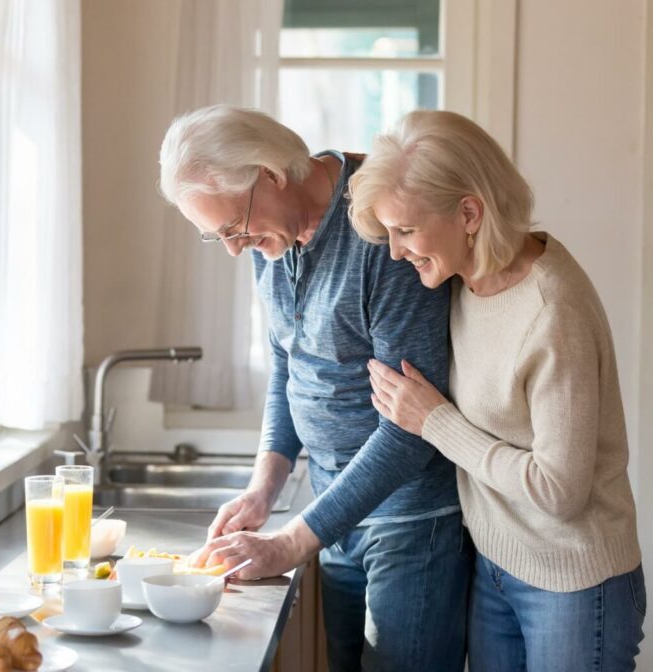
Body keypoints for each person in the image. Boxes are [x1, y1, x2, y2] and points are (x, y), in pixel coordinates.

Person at [158, 105, 472, 671]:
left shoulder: (382, 231)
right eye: (218, 237)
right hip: (333, 513)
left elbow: (411, 428)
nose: (234, 247)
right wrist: (264, 489)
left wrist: (291, 542)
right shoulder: (271, 240)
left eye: (233, 227)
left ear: (270, 175)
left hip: (407, 523)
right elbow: (288, 362)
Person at [350, 109, 646, 671]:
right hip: (494, 567)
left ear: (469, 212)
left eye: (406, 230)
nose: (394, 251)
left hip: (574, 585)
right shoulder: (462, 279)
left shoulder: (551, 312)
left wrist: (434, 422)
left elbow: (559, 491)